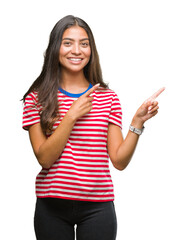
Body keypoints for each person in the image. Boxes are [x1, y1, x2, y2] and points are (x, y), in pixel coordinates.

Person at [22, 15, 165, 240]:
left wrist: (137, 123)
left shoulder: (107, 99)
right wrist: (71, 116)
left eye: (84, 43)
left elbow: (118, 161)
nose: (77, 50)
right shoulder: (36, 98)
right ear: (55, 48)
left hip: (98, 208)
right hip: (52, 207)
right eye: (67, 42)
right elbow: (44, 159)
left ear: (91, 50)